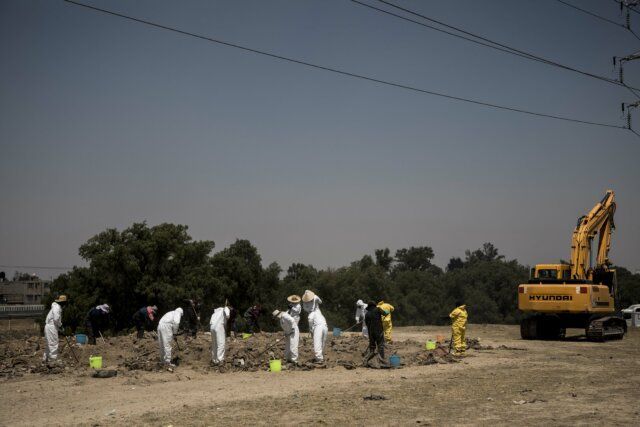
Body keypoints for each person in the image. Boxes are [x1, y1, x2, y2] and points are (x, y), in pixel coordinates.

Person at [302, 290, 328, 363]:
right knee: (323, 342)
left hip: (318, 326)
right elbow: (320, 302)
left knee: (317, 343)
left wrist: (311, 329)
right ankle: (321, 357)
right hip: (325, 325)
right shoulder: (318, 311)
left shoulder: (311, 313)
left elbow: (310, 319)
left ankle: (319, 360)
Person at [43, 295, 67, 363]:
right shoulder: (57, 307)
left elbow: (55, 320)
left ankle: (45, 359)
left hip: (50, 326)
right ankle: (52, 360)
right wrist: (61, 325)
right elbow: (56, 319)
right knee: (53, 343)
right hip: (51, 327)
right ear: (63, 302)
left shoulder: (56, 307)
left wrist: (60, 328)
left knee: (49, 344)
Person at [363, 301, 387, 367]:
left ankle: (367, 361)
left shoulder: (367, 314)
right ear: (374, 305)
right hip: (379, 331)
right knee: (380, 346)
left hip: (371, 333)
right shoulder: (378, 309)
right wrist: (387, 312)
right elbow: (385, 314)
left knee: (372, 348)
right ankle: (382, 362)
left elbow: (367, 324)